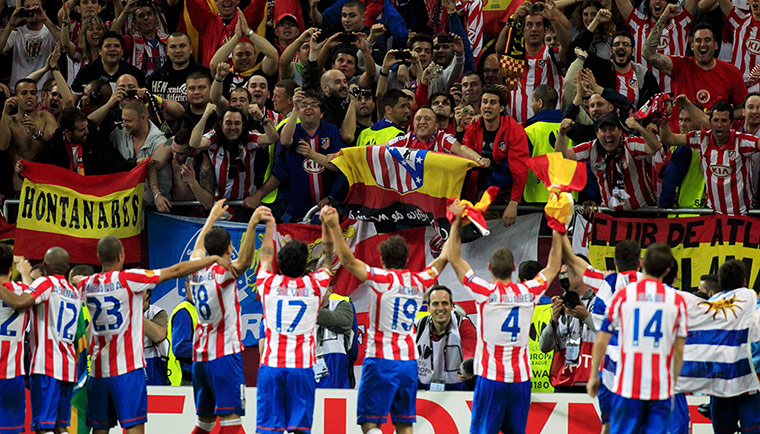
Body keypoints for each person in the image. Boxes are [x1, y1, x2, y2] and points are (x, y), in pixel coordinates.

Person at [80, 236, 229, 434]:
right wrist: (210, 260)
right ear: (122, 255)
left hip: (98, 371)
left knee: (99, 429)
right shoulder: (129, 279)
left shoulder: (86, 285)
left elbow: (75, 282)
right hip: (128, 370)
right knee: (133, 426)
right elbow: (174, 271)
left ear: (99, 257)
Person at [322, 205, 448, 434]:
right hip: (409, 362)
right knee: (404, 423)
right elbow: (444, 258)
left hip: (381, 359)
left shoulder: (380, 278)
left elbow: (348, 262)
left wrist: (332, 226)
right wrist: (456, 225)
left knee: (370, 422)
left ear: (381, 258)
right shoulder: (418, 281)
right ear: (407, 258)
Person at [443, 201, 562, 434]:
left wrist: (456, 222)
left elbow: (454, 259)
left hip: (492, 377)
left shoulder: (485, 293)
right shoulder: (528, 292)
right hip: (520, 379)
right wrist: (558, 226)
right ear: (514, 268)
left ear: (489, 268)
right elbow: (553, 266)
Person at [186, 199, 270, 434]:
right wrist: (252, 225)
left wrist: (211, 217)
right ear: (228, 249)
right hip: (224, 354)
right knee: (231, 420)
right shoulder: (222, 273)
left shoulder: (195, 268)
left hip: (200, 355)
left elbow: (198, 249)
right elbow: (243, 263)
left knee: (205, 423)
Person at [587, 243, 688, 434]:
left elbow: (601, 339)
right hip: (660, 388)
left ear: (642, 264)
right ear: (667, 270)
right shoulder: (676, 300)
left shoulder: (623, 296)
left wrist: (593, 375)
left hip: (628, 385)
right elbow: (679, 350)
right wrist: (672, 384)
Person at [256, 206, 333, 434]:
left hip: (272, 365)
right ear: (304, 265)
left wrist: (270, 225)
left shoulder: (268, 284)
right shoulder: (314, 285)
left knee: (268, 429)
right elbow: (328, 257)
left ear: (280, 262)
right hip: (302, 367)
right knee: (300, 430)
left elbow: (265, 257)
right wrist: (327, 226)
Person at [0, 247, 82, 434]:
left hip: (47, 364)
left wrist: (23, 274)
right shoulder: (74, 292)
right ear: (68, 268)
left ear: (44, 266)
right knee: (61, 427)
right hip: (68, 367)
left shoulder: (45, 284)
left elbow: (22, 301)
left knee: (44, 427)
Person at [565, 239, 642, 433]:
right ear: (640, 262)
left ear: (615, 262)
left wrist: (559, 232)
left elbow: (575, 261)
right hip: (643, 369)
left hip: (612, 369)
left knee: (608, 426)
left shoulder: (610, 282)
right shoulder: (653, 285)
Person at [244, 89, 346, 222]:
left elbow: (341, 165)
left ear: (321, 114)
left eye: (314, 104)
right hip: (296, 209)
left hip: (327, 207)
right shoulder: (291, 130)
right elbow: (285, 142)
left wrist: (331, 197)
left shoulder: (331, 130)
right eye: (304, 105)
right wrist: (295, 109)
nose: (308, 107)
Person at [643, 13, 746, 129]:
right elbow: (648, 54)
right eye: (698, 40)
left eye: (707, 40)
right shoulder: (680, 66)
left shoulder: (731, 72)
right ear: (691, 46)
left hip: (713, 141)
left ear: (716, 45)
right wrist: (664, 17)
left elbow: (742, 111)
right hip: (680, 140)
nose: (703, 44)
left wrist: (719, 114)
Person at [660, 100, 760, 215]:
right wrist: (663, 120)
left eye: (724, 121)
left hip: (741, 213)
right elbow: (668, 139)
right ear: (710, 122)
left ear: (731, 124)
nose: (719, 125)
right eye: (716, 120)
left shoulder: (742, 141)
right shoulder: (702, 139)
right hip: (712, 214)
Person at [557, 112, 660, 210]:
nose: (608, 134)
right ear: (597, 133)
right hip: (611, 217)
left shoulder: (630, 145)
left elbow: (655, 147)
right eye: (604, 130)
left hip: (643, 213)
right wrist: (562, 133)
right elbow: (562, 157)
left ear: (620, 131)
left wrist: (639, 128)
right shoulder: (591, 149)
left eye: (611, 129)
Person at [462, 86, 529, 226]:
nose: (487, 106)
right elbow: (465, 162)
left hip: (504, 193)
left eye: (493, 102)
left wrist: (513, 203)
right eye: (485, 102)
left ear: (501, 108)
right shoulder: (473, 127)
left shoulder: (514, 130)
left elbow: (520, 170)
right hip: (476, 193)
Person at [190, 104, 279, 201]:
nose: (233, 127)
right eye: (228, 123)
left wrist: (261, 117)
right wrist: (205, 116)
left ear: (242, 125)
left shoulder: (249, 138)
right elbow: (194, 143)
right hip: (219, 204)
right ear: (221, 124)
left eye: (237, 123)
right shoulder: (214, 137)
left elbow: (273, 138)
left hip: (245, 203)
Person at [539, 248, 596, 392]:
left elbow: (610, 335)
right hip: (563, 381)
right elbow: (544, 347)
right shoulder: (561, 304)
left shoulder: (600, 302)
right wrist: (554, 319)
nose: (561, 279)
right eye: (560, 276)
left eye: (565, 275)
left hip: (591, 380)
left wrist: (586, 317)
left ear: (579, 276)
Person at [614, 0, 697, 93]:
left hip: (675, 94)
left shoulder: (680, 21)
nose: (658, 1)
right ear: (648, 3)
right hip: (646, 97)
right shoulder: (638, 23)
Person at [32, 107, 135, 175]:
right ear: (68, 132)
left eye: (86, 127)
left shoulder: (95, 139)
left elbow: (115, 163)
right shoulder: (55, 144)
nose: (87, 131)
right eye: (81, 130)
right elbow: (38, 165)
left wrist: (134, 163)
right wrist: (23, 167)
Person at [414, 285, 476, 391]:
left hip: (456, 385)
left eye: (445, 303)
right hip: (425, 385)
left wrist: (468, 369)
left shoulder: (463, 324)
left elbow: (470, 351)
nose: (440, 308)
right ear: (428, 308)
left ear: (452, 306)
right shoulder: (418, 326)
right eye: (435, 304)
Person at [0, 78, 57, 193]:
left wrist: (37, 133)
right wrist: (5, 112)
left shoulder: (46, 117)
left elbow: (56, 147)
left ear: (37, 97)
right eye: (24, 93)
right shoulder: (10, 121)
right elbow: (2, 146)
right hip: (20, 186)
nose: (29, 96)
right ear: (15, 97)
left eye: (33, 93)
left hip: (45, 185)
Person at [0, 245, 31, 434]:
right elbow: (31, 291)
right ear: (11, 268)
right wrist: (25, 272)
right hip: (12, 373)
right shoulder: (23, 291)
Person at [149, 128, 215, 212]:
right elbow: (152, 165)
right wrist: (157, 195)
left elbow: (209, 203)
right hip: (170, 206)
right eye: (173, 151)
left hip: (192, 211)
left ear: (193, 151)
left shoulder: (203, 164)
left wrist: (192, 181)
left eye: (180, 154)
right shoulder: (172, 143)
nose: (175, 156)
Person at [0, 0, 59, 90]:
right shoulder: (16, 32)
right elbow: (1, 49)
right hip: (18, 89)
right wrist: (10, 24)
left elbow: (65, 45)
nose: (31, 10)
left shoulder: (51, 31)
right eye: (27, 7)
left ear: (44, 10)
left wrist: (44, 19)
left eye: (35, 7)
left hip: (44, 91)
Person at [71, 31, 147, 97]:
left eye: (116, 46)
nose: (112, 49)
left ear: (122, 51)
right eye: (108, 46)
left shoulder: (135, 74)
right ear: (100, 51)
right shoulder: (86, 72)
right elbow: (73, 104)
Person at [524, 84, 565, 203]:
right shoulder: (570, 128)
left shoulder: (530, 131)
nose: (531, 105)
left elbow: (521, 166)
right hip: (567, 197)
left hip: (536, 199)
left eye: (532, 101)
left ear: (540, 103)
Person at [315, 284, 357, 390]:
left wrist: (307, 309)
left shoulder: (343, 305)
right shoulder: (301, 309)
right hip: (308, 372)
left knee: (335, 406)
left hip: (337, 376)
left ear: (329, 290)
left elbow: (342, 322)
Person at [148, 31, 210, 102]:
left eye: (182, 46)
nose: (178, 51)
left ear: (190, 49)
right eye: (173, 47)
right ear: (167, 50)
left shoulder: (206, 75)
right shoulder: (155, 78)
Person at [112, 1, 168, 76]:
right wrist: (125, 12)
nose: (146, 18)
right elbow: (111, 38)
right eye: (141, 16)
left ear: (156, 18)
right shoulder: (131, 41)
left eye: (149, 14)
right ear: (135, 23)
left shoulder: (168, 40)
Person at [167, 278, 197, 386]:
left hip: (198, 375)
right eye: (194, 284)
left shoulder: (199, 310)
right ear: (186, 285)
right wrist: (207, 348)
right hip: (186, 378)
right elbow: (180, 348)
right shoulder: (183, 312)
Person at [143, 288, 169, 385]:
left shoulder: (157, 313)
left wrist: (133, 312)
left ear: (147, 294)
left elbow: (159, 335)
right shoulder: (120, 312)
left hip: (152, 363)